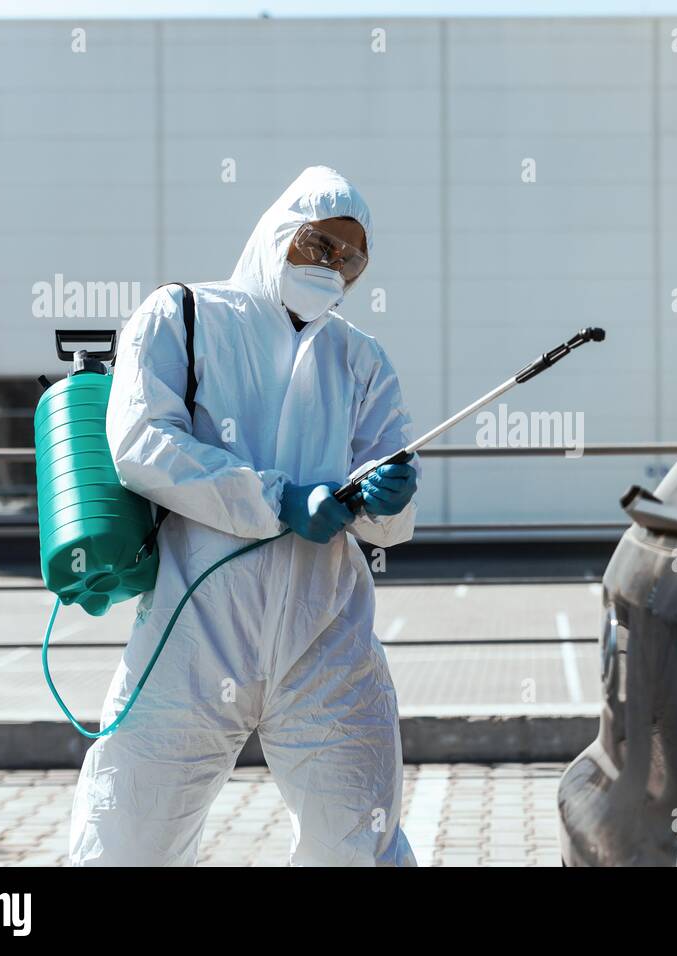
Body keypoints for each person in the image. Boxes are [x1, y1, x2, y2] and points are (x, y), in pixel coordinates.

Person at [69, 166, 419, 866]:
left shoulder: (360, 358)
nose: (333, 266)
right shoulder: (184, 317)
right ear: (279, 233)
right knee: (128, 838)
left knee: (358, 840)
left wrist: (388, 497)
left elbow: (390, 514)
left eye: (351, 257)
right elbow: (143, 442)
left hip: (326, 642)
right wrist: (276, 499)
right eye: (319, 244)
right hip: (193, 635)